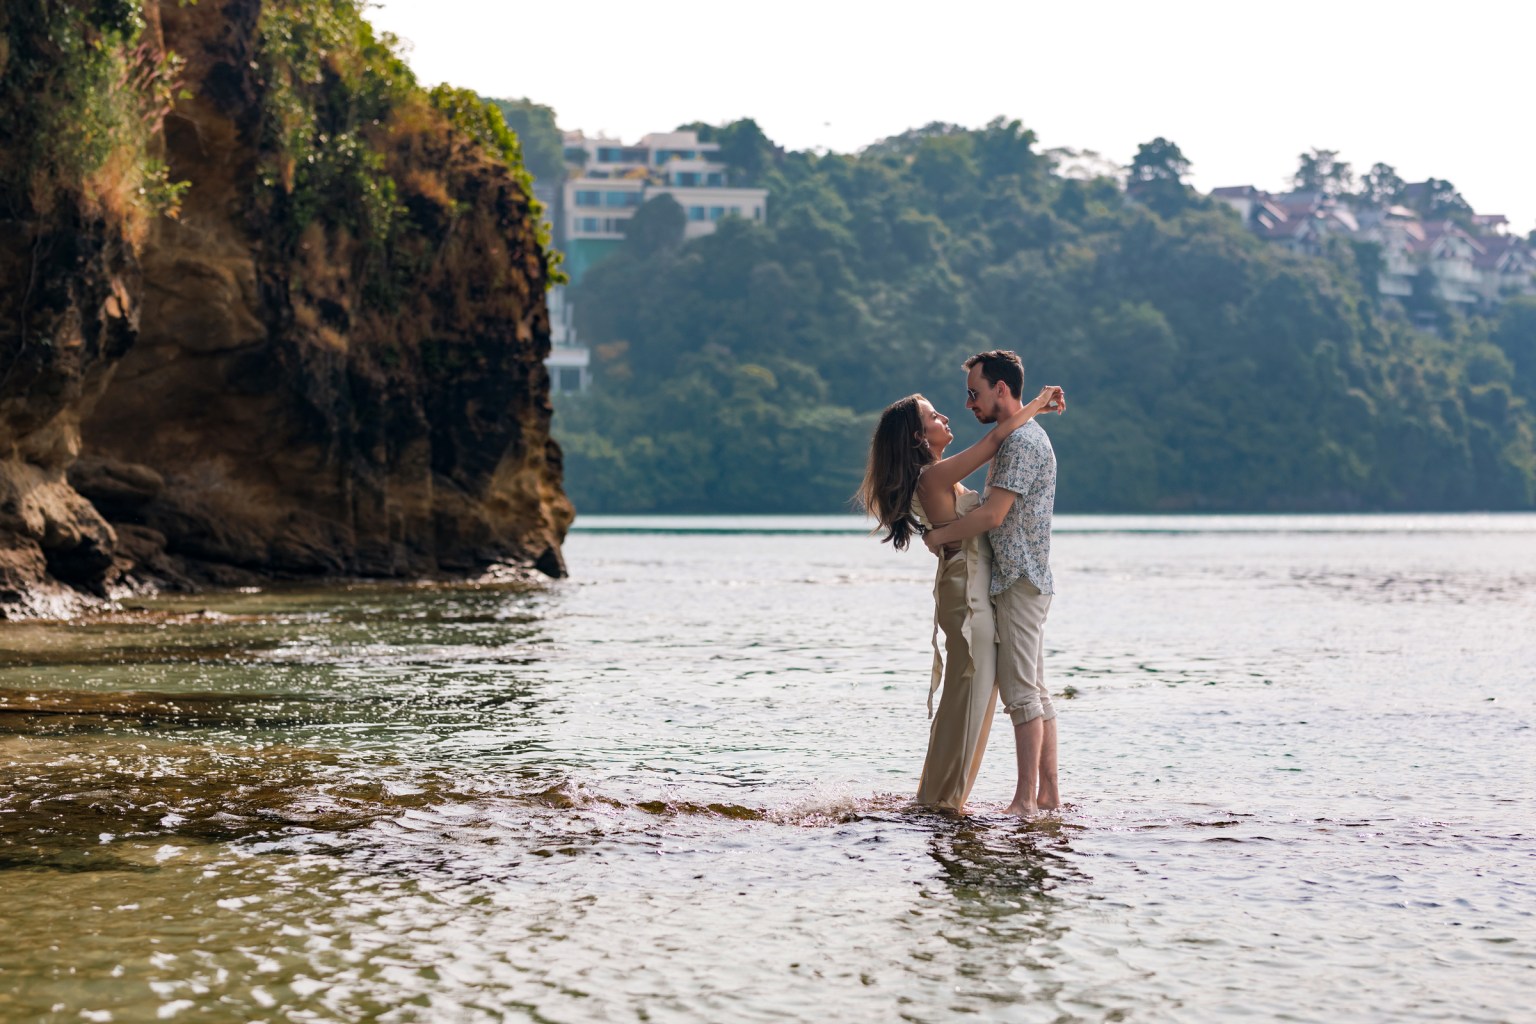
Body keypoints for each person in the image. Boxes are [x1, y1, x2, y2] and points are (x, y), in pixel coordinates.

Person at [858, 379, 1064, 813]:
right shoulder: (933, 475)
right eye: (934, 416)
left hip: (968, 585)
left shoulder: (938, 472)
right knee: (970, 694)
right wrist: (1039, 404)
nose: (946, 417)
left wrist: (944, 535)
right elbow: (993, 441)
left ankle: (942, 795)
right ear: (918, 436)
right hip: (966, 591)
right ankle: (943, 800)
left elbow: (993, 443)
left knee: (972, 693)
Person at [922, 350, 1062, 816]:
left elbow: (992, 514)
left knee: (1022, 692)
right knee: (1036, 689)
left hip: (1020, 579)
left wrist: (939, 536)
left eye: (974, 393)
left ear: (1001, 388)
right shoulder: (1017, 436)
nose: (968, 404)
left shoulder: (1021, 443)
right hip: (1022, 577)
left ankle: (1026, 801)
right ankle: (1048, 797)